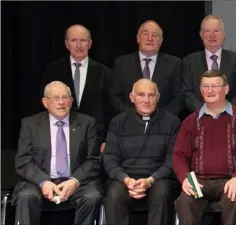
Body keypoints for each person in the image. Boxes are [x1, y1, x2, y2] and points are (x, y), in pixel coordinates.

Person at [173, 70, 236, 225]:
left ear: (225, 89)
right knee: (185, 202)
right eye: (205, 86)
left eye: (214, 86)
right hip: (199, 181)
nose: (209, 90)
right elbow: (179, 154)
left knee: (235, 201)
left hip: (230, 180)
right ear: (200, 90)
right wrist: (185, 178)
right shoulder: (190, 121)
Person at [14, 81, 103, 225]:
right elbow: (23, 161)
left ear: (71, 101)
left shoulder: (87, 123)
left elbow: (93, 160)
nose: (61, 102)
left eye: (65, 97)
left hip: (75, 180)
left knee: (92, 196)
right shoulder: (30, 124)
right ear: (45, 102)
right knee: (26, 196)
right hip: (39, 181)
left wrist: (74, 181)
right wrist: (44, 182)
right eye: (56, 98)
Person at [102, 79, 180, 225]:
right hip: (125, 179)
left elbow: (172, 160)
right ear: (132, 97)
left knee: (162, 192)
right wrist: (126, 179)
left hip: (158, 178)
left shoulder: (172, 122)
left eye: (151, 95)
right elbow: (110, 158)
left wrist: (150, 180)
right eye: (141, 95)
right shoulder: (118, 122)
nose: (146, 100)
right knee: (114, 193)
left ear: (158, 98)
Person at [41, 24, 111, 151]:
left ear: (90, 44)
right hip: (60, 136)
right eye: (74, 40)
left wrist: (107, 139)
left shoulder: (105, 72)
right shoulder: (53, 70)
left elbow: (110, 109)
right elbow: (46, 105)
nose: (79, 45)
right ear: (67, 44)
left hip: (95, 139)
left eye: (83, 40)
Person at [109, 20, 183, 117]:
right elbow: (115, 97)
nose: (150, 38)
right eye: (145, 34)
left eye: (155, 35)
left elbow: (178, 98)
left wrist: (162, 119)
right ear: (138, 38)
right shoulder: (121, 63)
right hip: (128, 123)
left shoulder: (175, 64)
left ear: (161, 41)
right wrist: (131, 116)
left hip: (163, 125)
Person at [182, 15, 236, 115]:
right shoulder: (189, 61)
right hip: (199, 118)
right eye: (207, 31)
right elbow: (187, 93)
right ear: (201, 35)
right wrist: (205, 112)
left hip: (229, 117)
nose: (212, 35)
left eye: (216, 31)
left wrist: (225, 111)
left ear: (224, 34)